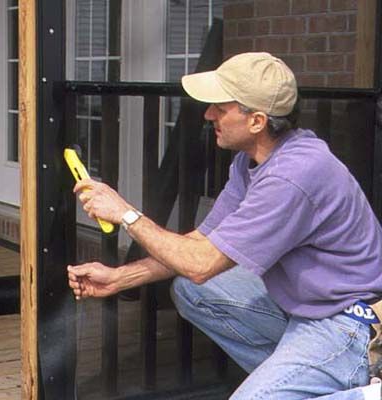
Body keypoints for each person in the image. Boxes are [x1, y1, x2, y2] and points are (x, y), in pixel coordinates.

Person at [68, 52, 382, 399]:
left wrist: (126, 213)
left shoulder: (293, 176)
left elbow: (200, 264)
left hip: (348, 324)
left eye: (221, 106)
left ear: (257, 121)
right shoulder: (253, 162)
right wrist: (119, 278)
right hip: (304, 308)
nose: (208, 114)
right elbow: (202, 244)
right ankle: (297, 382)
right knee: (192, 290)